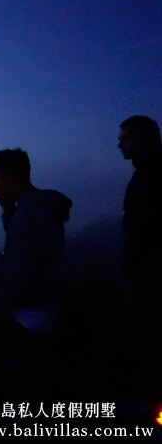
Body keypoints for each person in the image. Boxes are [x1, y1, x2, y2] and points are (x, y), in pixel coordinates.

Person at [0, 148, 72, 397]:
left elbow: (20, 269)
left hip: (26, 314)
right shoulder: (37, 206)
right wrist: (9, 211)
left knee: (22, 383)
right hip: (43, 305)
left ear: (11, 176)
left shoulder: (29, 215)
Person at [117, 115, 162, 397]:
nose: (119, 144)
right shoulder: (144, 173)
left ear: (147, 138)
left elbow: (143, 230)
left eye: (127, 138)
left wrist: (130, 271)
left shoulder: (150, 176)